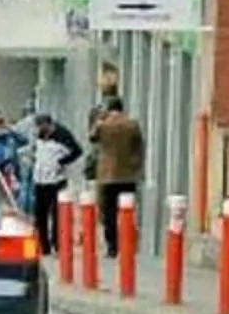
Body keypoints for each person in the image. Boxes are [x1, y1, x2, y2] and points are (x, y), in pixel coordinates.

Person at [90, 99, 147, 261]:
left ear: (109, 109)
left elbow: (92, 137)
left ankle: (112, 247)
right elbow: (139, 147)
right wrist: (137, 167)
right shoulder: (132, 124)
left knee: (109, 213)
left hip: (108, 175)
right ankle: (128, 244)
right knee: (128, 211)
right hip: (128, 175)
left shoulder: (103, 124)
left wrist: (98, 119)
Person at [28, 115, 82, 260]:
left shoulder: (62, 134)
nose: (39, 129)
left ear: (48, 124)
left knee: (57, 214)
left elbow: (77, 150)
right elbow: (36, 150)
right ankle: (44, 245)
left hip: (57, 179)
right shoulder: (39, 136)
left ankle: (58, 244)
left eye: (41, 126)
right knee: (40, 213)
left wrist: (61, 162)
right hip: (40, 179)